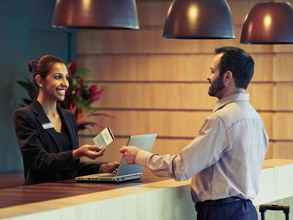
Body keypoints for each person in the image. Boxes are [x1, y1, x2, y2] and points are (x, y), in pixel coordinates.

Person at [120, 47, 268, 220]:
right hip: (247, 212)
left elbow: (182, 167)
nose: (208, 77)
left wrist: (140, 156)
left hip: (222, 214)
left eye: (213, 71)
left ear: (227, 77)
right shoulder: (254, 117)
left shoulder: (222, 119)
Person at [14, 55, 118, 185]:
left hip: (69, 193)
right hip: (40, 196)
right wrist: (75, 153)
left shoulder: (68, 117)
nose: (66, 84)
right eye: (58, 77)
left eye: (66, 78)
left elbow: (71, 167)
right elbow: (38, 161)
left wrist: (101, 168)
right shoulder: (25, 115)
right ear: (40, 81)